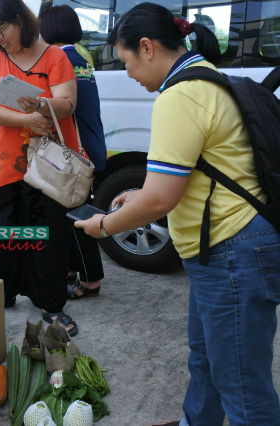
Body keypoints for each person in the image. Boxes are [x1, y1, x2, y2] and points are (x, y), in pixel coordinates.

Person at [74, 3, 280, 425]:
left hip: (231, 251)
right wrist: (136, 195)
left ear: (147, 48)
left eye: (128, 61)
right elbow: (192, 173)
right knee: (206, 358)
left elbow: (160, 200)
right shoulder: (206, 77)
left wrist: (104, 226)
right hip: (223, 250)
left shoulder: (179, 95)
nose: (128, 73)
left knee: (242, 385)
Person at [0, 0, 81, 335]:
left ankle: (51, 304)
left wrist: (40, 105)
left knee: (48, 235)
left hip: (48, 163)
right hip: (10, 164)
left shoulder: (54, 56)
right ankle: (7, 291)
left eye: (1, 29)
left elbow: (67, 103)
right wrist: (27, 119)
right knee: (8, 233)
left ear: (20, 20)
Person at [39, 4, 106, 300]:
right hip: (91, 143)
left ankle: (91, 281)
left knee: (75, 216)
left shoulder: (58, 59)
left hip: (74, 152)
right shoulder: (81, 57)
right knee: (73, 211)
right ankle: (70, 269)